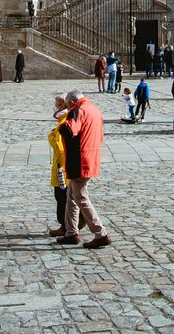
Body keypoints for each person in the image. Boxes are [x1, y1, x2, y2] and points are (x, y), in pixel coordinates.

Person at [56, 90, 111, 249]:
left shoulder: (77, 111)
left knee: (80, 197)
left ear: (71, 103)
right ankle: (71, 232)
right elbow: (100, 136)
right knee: (71, 195)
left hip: (79, 159)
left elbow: (68, 130)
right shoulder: (94, 109)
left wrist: (62, 117)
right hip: (91, 156)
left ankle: (100, 233)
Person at [46, 94, 73, 237]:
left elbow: (60, 146)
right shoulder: (65, 118)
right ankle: (69, 225)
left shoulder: (64, 120)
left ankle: (65, 225)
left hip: (62, 166)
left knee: (62, 196)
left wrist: (51, 136)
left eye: (56, 104)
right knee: (65, 196)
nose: (55, 106)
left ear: (61, 106)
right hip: (63, 165)